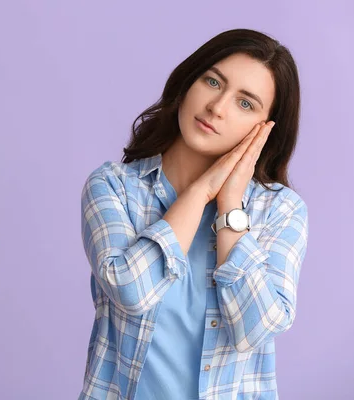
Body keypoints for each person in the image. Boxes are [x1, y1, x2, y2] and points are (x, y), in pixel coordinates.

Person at [78, 28, 309, 400]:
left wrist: (230, 205)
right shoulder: (115, 187)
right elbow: (132, 291)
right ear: (188, 83)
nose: (217, 107)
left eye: (245, 103)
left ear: (265, 130)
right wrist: (201, 191)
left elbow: (256, 329)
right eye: (213, 81)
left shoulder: (280, 210)